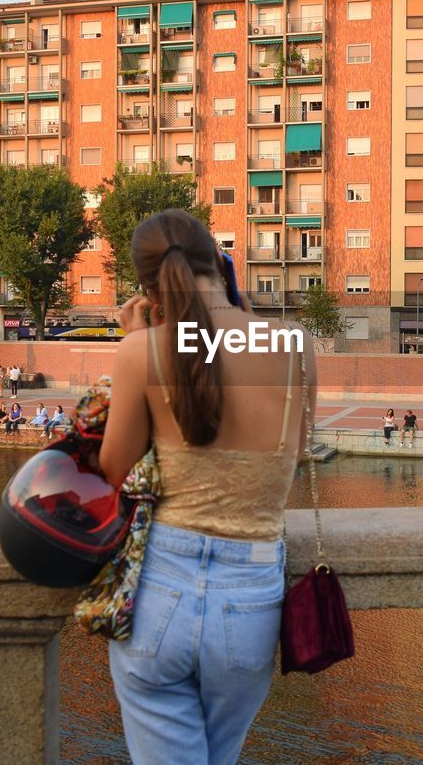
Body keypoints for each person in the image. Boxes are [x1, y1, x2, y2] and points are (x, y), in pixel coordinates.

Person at [97, 208, 314, 764]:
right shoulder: (295, 346)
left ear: (149, 287)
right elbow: (294, 446)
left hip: (160, 591)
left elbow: (113, 469)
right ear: (219, 263)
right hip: (252, 599)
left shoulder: (140, 349)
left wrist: (138, 340)